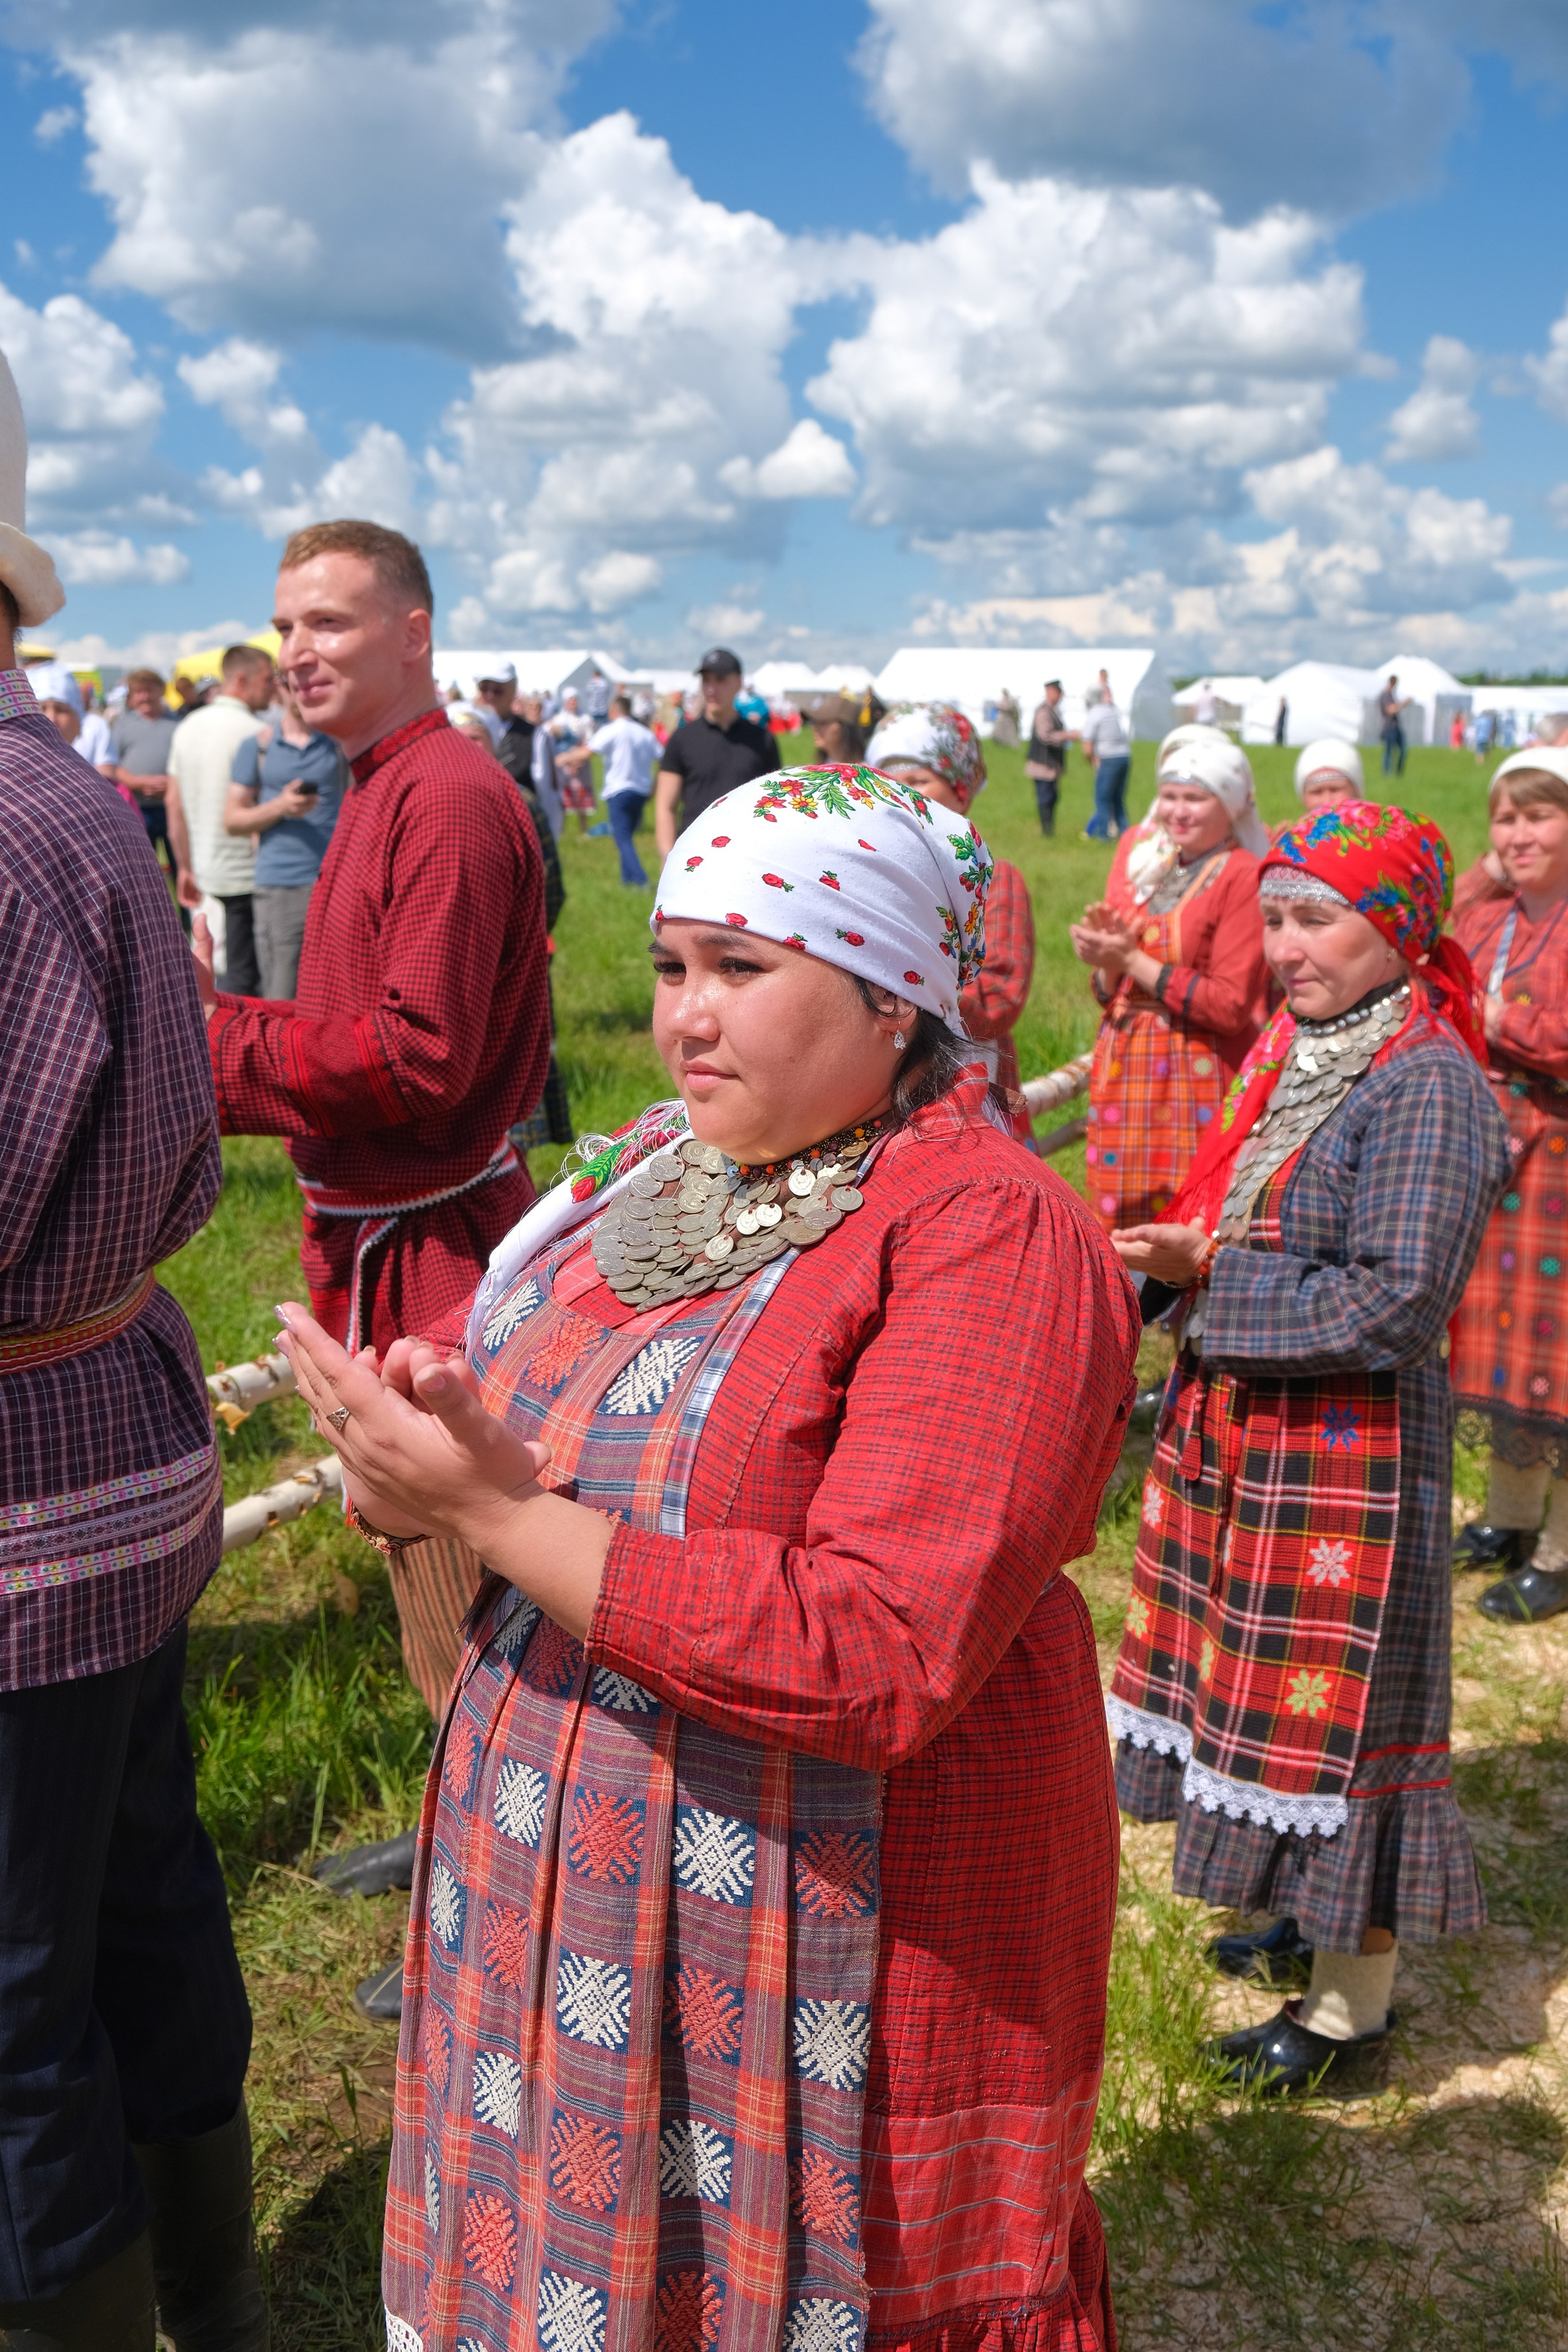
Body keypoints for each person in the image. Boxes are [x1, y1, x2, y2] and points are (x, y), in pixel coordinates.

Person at [275, 758, 1141, 2352]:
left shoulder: (988, 1231)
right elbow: (484, 1420)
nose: (683, 1016)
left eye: (744, 969)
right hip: (566, 1883)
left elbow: (885, 1650)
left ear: (894, 1000)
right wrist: (406, 1466)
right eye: (673, 966)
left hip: (831, 1916)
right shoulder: (648, 1176)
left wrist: (499, 1518)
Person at [0, 352, 264, 2350]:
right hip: (114, 1451)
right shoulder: (62, 801)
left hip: (29, 1504)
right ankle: (211, 2305)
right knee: (146, 1896)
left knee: (15, 2001)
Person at [1106, 801, 1508, 2093]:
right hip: (1259, 1433)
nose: (1283, 945)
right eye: (1273, 916)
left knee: (1346, 1726)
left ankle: (1350, 2012)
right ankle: (1298, 1911)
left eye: (1315, 917)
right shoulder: (1308, 1043)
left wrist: (1208, 1281)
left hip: (1350, 1453)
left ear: (1394, 925)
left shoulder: (1427, 1084)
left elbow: (1395, 1300)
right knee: (1260, 1699)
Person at [199, 520, 553, 1981]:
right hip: (384, 1231)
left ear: (415, 631)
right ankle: (457, 1830)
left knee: (466, 1564)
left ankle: (504, 1902)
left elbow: (418, 1062)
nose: (300, 651)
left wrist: (213, 1040)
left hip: (436, 1249)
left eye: (335, 623)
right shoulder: (382, 782)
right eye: (288, 625)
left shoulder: (454, 800)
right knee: (425, 1568)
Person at [1449, 750, 1568, 1621]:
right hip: (1496, 1155)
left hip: (1562, 1155)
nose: (1519, 835)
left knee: (1561, 1358)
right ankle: (1510, 1519)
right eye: (1505, 818)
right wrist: (1493, 865)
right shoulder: (1490, 917)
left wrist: (1499, 1021)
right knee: (1504, 1342)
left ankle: (1562, 1555)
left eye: (1540, 816)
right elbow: (1437, 923)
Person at [1072, 736, 1269, 1234]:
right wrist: (1108, 962)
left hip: (1194, 1078)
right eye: (1170, 796)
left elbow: (1229, 1006)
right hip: (1125, 1070)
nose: (1178, 812)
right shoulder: (1152, 868)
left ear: (1231, 805)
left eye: (1195, 798)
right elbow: (1108, 991)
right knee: (1119, 1225)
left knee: (1189, 1225)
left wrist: (1130, 958)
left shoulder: (1242, 875)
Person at [867, 701, 1038, 1140]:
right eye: (889, 782)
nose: (903, 794)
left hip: (966, 1069)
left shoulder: (995, 880)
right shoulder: (863, 878)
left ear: (961, 791)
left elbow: (1002, 991)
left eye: (919, 781)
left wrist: (906, 1010)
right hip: (870, 1071)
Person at [224, 679, 345, 1002]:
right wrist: (282, 806)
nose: (305, 690)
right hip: (282, 886)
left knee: (339, 996)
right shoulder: (258, 747)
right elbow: (232, 820)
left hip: (338, 885)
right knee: (283, 995)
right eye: (295, 684)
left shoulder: (340, 744)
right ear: (281, 686)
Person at [165, 644, 276, 995]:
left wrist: (184, 866)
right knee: (248, 983)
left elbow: (174, 804)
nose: (274, 686)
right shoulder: (257, 732)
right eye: (268, 678)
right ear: (242, 679)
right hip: (250, 874)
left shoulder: (187, 728)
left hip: (205, 873)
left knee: (214, 973)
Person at [654, 644, 781, 857]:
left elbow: (774, 804)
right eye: (706, 680)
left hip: (747, 853)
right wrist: (667, 858)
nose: (712, 688)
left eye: (720, 680)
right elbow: (665, 807)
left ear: (739, 683)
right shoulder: (683, 739)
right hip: (693, 854)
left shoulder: (762, 740)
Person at [570, 691, 659, 887]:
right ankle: (627, 881)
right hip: (642, 791)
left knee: (622, 837)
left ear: (614, 710)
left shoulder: (612, 729)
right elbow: (662, 758)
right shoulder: (644, 732)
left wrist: (562, 759)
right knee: (627, 835)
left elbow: (587, 753)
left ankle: (641, 880)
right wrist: (654, 787)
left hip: (619, 790)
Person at [101, 666, 178, 867]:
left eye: (149, 690)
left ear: (161, 690)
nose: (144, 697)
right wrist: (137, 782)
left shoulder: (178, 724)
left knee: (181, 865)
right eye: (138, 692)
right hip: (137, 808)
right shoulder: (122, 726)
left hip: (174, 807)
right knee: (142, 868)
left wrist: (171, 784)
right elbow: (111, 765)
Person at [1079, 687, 1131, 840]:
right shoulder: (1111, 711)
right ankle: (1125, 834)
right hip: (1124, 757)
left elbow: (1087, 748)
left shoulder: (1094, 715)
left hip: (1108, 759)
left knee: (1102, 799)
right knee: (1117, 799)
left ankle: (1104, 836)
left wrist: (1093, 763)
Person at [475, 662, 536, 785]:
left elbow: (545, 790)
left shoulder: (533, 734)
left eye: (498, 690)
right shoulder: (467, 731)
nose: (490, 695)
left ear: (513, 690)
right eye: (484, 689)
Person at [1025, 678, 1072, 836]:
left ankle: (1049, 830)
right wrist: (1067, 736)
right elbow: (1045, 736)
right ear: (1050, 692)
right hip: (1042, 764)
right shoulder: (1043, 712)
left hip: (1051, 765)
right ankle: (1047, 831)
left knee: (1053, 797)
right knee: (1045, 798)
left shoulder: (1053, 711)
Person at [1291, 737, 1364, 821]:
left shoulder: (1380, 833)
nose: (1327, 802)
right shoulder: (1292, 833)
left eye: (1335, 790)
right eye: (1316, 792)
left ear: (1356, 792)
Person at [810, 690, 866, 764]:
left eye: (823, 723)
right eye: (815, 722)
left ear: (844, 727)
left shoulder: (863, 774)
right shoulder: (817, 770)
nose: (815, 728)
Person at [1379, 675, 1411, 775]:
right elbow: (1390, 710)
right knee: (1389, 752)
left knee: (1403, 751)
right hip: (1389, 727)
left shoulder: (1392, 695)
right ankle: (1387, 774)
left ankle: (1398, 774)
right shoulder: (1386, 695)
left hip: (1396, 727)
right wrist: (1403, 704)